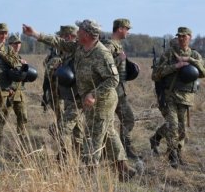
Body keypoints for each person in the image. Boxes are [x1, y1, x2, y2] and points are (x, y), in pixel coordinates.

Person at [23, 19, 136, 181]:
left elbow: (113, 79)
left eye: (80, 30)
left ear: (88, 35)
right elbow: (58, 42)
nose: (77, 32)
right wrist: (34, 34)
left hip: (102, 100)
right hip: (90, 98)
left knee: (93, 136)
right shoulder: (79, 47)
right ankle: (123, 169)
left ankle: (89, 176)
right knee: (109, 133)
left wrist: (93, 95)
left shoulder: (101, 53)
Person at [151, 27, 205, 168]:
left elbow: (203, 72)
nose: (182, 39)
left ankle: (172, 148)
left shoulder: (195, 55)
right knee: (173, 126)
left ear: (189, 37)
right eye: (179, 36)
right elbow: (155, 74)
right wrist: (176, 66)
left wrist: (189, 60)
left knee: (182, 130)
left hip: (186, 97)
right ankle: (172, 155)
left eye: (184, 36)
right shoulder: (169, 54)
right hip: (170, 95)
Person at [102, 19, 139, 159]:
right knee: (109, 122)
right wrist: (120, 59)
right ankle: (111, 150)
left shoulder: (117, 45)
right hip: (111, 91)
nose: (128, 32)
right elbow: (103, 66)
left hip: (120, 92)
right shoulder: (109, 45)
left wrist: (130, 66)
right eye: (127, 29)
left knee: (128, 119)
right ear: (120, 29)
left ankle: (123, 147)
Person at [46, 25, 84, 162]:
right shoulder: (57, 54)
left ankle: (79, 155)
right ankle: (65, 154)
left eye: (73, 37)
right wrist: (55, 67)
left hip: (73, 96)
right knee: (65, 126)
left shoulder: (78, 52)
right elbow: (49, 70)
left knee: (74, 127)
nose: (71, 39)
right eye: (69, 37)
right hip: (58, 96)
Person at [6, 35, 28, 142]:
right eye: (15, 43)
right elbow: (0, 75)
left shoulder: (19, 58)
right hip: (8, 92)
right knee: (2, 117)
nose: (17, 45)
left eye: (19, 43)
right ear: (9, 45)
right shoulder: (4, 57)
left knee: (23, 116)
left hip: (19, 93)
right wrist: (6, 88)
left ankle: (22, 139)